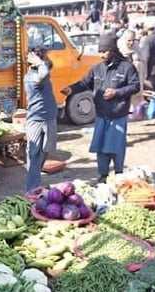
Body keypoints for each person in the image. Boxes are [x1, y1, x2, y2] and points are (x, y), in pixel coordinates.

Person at [61, 32, 140, 183]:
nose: (102, 55)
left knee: (117, 147)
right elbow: (85, 83)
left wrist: (117, 92)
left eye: (105, 51)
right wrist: (71, 89)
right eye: (100, 51)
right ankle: (102, 175)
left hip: (118, 115)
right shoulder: (96, 68)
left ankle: (118, 174)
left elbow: (135, 86)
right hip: (101, 115)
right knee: (101, 146)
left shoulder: (127, 67)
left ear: (113, 50)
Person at [23, 47, 58, 192]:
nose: (44, 61)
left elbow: (49, 66)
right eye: (40, 58)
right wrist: (39, 62)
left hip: (49, 118)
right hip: (36, 120)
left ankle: (36, 183)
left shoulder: (43, 71)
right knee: (33, 155)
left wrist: (42, 61)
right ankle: (32, 190)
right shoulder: (31, 77)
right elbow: (43, 74)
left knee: (45, 151)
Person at [118, 29, 147, 108]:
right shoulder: (119, 46)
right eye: (129, 40)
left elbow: (142, 59)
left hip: (136, 75)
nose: (131, 43)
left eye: (133, 40)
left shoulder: (136, 46)